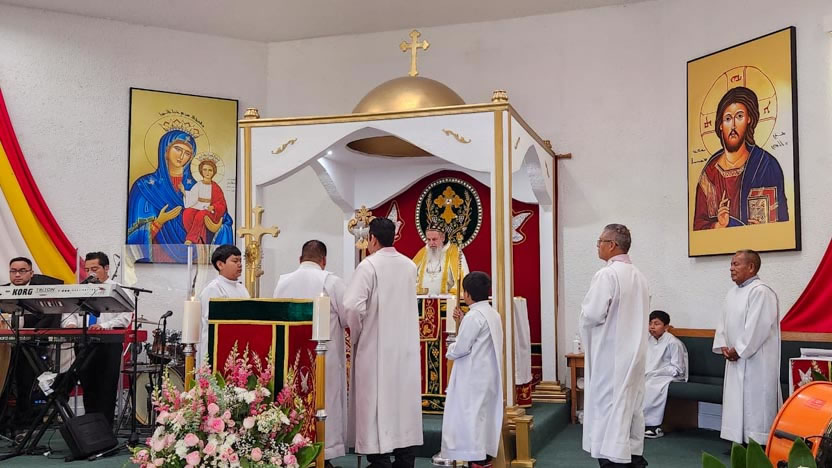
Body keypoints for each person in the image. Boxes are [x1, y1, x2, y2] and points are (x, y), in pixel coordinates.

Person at [344, 217, 422, 468]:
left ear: (373, 239)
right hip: (405, 345)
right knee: (403, 401)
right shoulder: (410, 265)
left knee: (376, 401)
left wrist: (358, 333)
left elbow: (352, 306)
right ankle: (405, 457)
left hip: (375, 346)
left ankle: (379, 460)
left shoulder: (369, 266)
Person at [580, 224, 650, 468]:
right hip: (633, 355)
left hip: (610, 357)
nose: (597, 246)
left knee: (608, 410)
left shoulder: (607, 275)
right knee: (630, 408)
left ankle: (613, 460)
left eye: (600, 241)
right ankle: (633, 457)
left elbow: (592, 314)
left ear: (612, 245)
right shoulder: (639, 276)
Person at [273, 240, 347, 468]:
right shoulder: (331, 281)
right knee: (325, 401)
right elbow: (348, 317)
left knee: (294, 402)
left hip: (292, 356)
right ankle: (324, 453)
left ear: (300, 259)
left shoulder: (283, 282)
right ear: (324, 261)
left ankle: (292, 452)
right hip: (323, 356)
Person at [126, 128, 233, 263]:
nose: (182, 156)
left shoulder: (198, 186)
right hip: (158, 263)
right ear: (166, 150)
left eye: (187, 153)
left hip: (196, 258)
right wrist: (159, 222)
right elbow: (133, 235)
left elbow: (224, 221)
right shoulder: (145, 186)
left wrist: (214, 222)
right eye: (177, 149)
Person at [693, 86, 788, 230]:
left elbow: (782, 225)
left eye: (739, 117)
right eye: (727, 119)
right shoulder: (710, 174)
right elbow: (698, 228)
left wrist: (763, 229)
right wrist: (719, 225)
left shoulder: (765, 165)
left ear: (749, 119)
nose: (733, 125)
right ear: (720, 125)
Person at [712, 249, 781, 444]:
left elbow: (758, 326)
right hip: (734, 357)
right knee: (735, 400)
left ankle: (758, 442)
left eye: (736, 264)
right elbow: (723, 322)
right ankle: (738, 440)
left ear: (751, 267)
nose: (731, 268)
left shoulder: (761, 291)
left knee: (755, 402)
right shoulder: (732, 292)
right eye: (731, 264)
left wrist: (739, 349)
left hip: (756, 360)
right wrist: (724, 345)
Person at [439, 272, 503, 467]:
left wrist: (449, 349)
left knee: (470, 419)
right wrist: (464, 318)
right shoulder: (491, 313)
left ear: (467, 293)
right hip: (487, 374)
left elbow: (461, 347)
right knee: (482, 419)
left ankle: (475, 460)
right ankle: (483, 458)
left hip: (472, 377)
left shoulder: (474, 316)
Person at [64, 252, 132, 426]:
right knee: (88, 386)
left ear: (106, 268)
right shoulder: (81, 289)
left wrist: (104, 326)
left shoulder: (118, 289)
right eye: (87, 270)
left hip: (108, 343)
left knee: (106, 387)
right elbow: (68, 313)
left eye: (94, 269)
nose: (90, 273)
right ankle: (91, 427)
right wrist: (71, 324)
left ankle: (105, 428)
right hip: (84, 342)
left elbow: (125, 317)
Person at [0, 257, 63, 432]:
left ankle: (23, 423)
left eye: (22, 271)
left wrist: (28, 332)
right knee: (3, 384)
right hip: (4, 347)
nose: (17, 275)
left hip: (30, 346)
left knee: (25, 385)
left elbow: (49, 318)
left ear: (31, 273)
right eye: (13, 271)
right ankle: (3, 422)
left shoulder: (41, 294)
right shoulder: (2, 292)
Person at [197, 245, 249, 365]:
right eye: (235, 261)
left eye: (240, 261)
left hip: (238, 343)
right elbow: (213, 322)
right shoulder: (214, 289)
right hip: (217, 346)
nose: (239, 264)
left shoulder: (242, 288)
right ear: (220, 265)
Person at [643, 310, 688, 439]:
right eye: (650, 323)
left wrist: (657, 372)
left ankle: (654, 426)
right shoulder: (647, 340)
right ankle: (638, 423)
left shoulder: (673, 342)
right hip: (651, 374)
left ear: (666, 326)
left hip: (671, 375)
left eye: (656, 324)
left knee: (651, 386)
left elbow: (678, 368)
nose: (652, 327)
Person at [182, 157, 228, 245]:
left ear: (213, 172)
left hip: (211, 211)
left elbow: (222, 204)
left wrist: (213, 207)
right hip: (198, 206)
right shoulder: (198, 185)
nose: (207, 172)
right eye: (205, 170)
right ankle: (198, 237)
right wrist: (184, 192)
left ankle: (191, 238)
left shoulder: (216, 187)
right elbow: (192, 197)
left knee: (201, 214)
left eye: (210, 170)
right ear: (201, 171)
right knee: (187, 213)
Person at [412, 225, 469, 295]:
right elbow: (410, 275)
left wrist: (449, 296)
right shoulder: (422, 252)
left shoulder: (455, 252)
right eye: (428, 240)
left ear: (443, 238)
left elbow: (462, 281)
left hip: (446, 300)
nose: (431, 243)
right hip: (422, 299)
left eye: (434, 239)